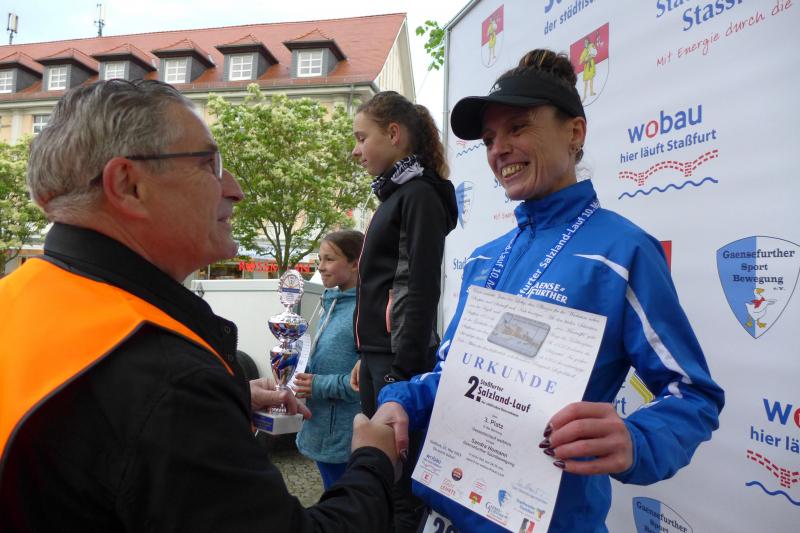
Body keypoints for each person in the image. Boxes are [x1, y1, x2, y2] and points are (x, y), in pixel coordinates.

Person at [0, 79, 398, 532]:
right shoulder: (167, 380)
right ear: (128, 185)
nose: (235, 189)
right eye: (210, 164)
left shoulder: (19, 297)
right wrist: (373, 460)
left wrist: (224, 401)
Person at [372, 49, 725, 532]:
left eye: (517, 128)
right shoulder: (484, 258)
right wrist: (401, 400)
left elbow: (693, 395)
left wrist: (637, 439)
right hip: (445, 509)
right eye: (490, 139)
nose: (498, 150)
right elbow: (452, 376)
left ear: (575, 132)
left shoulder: (622, 252)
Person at [349, 91, 458, 532]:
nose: (355, 151)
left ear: (393, 134)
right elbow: (382, 286)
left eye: (362, 138)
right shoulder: (394, 196)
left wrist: (401, 369)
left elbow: (421, 288)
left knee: (401, 487)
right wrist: (366, 353)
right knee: (381, 477)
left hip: (401, 362)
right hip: (380, 357)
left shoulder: (419, 194)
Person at [294, 230, 364, 490]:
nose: (321, 267)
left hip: (346, 438)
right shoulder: (330, 303)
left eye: (329, 259)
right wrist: (295, 372)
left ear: (355, 263)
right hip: (321, 428)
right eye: (319, 259)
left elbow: (366, 382)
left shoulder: (366, 312)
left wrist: (317, 385)